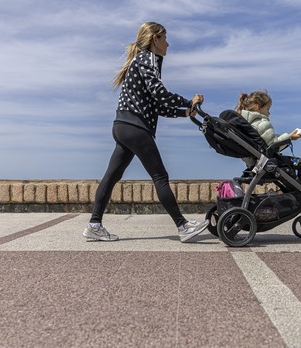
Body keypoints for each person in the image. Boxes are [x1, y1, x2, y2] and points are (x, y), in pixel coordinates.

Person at [83, 22, 209, 242]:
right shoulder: (147, 58)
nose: (168, 44)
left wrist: (185, 112)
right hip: (135, 127)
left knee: (111, 176)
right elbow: (160, 93)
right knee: (160, 176)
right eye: (165, 39)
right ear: (155, 40)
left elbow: (157, 105)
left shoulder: (140, 61)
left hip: (122, 126)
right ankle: (183, 226)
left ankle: (94, 224)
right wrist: (188, 101)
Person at [236, 90, 301, 187]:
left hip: (254, 163)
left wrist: (288, 136)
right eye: (267, 109)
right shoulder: (262, 122)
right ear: (258, 107)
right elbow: (272, 145)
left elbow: (266, 141)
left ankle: (296, 194)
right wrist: (290, 138)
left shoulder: (245, 123)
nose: (269, 113)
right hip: (266, 163)